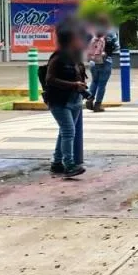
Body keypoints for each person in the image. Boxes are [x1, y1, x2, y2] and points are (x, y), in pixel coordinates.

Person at [43, 22, 88, 178]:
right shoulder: (58, 57)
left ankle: (57, 163)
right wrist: (74, 84)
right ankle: (69, 165)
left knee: (65, 132)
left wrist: (82, 85)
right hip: (59, 101)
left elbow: (80, 73)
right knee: (69, 131)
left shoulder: (75, 55)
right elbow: (50, 79)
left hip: (75, 99)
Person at [84, 14, 119, 112]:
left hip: (93, 61)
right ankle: (98, 105)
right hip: (105, 60)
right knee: (102, 84)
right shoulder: (110, 32)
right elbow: (116, 47)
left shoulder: (92, 31)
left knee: (94, 81)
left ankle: (90, 98)